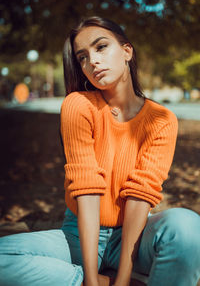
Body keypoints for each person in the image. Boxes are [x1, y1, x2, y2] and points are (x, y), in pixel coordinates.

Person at [0, 16, 200, 286]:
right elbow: (87, 189)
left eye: (101, 47)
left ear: (127, 51)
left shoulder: (162, 119)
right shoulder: (78, 105)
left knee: (187, 226)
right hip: (79, 236)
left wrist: (124, 277)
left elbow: (141, 196)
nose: (92, 61)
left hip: (135, 237)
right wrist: (92, 281)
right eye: (82, 57)